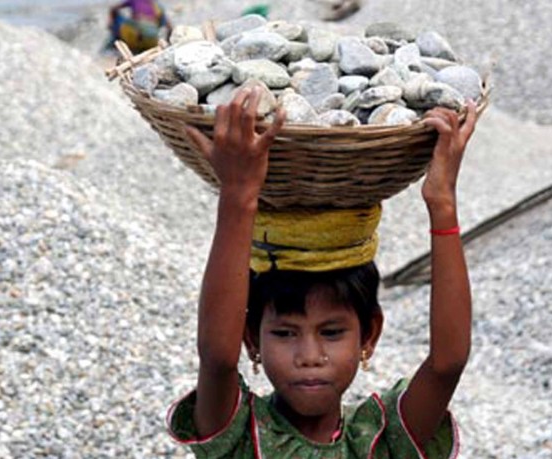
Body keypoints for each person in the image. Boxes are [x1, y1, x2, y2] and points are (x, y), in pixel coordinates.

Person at [167, 87, 478, 457]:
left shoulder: (379, 441)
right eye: (284, 333)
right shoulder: (239, 435)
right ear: (251, 340)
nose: (309, 356)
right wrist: (238, 195)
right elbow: (217, 358)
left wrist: (442, 202)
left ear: (369, 335)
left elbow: (448, 363)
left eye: (331, 332)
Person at [104, 0, 172, 54]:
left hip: (136, 35)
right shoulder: (157, 6)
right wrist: (169, 43)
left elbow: (113, 8)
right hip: (152, 40)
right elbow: (169, 27)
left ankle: (111, 46)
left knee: (118, 19)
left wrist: (110, 21)